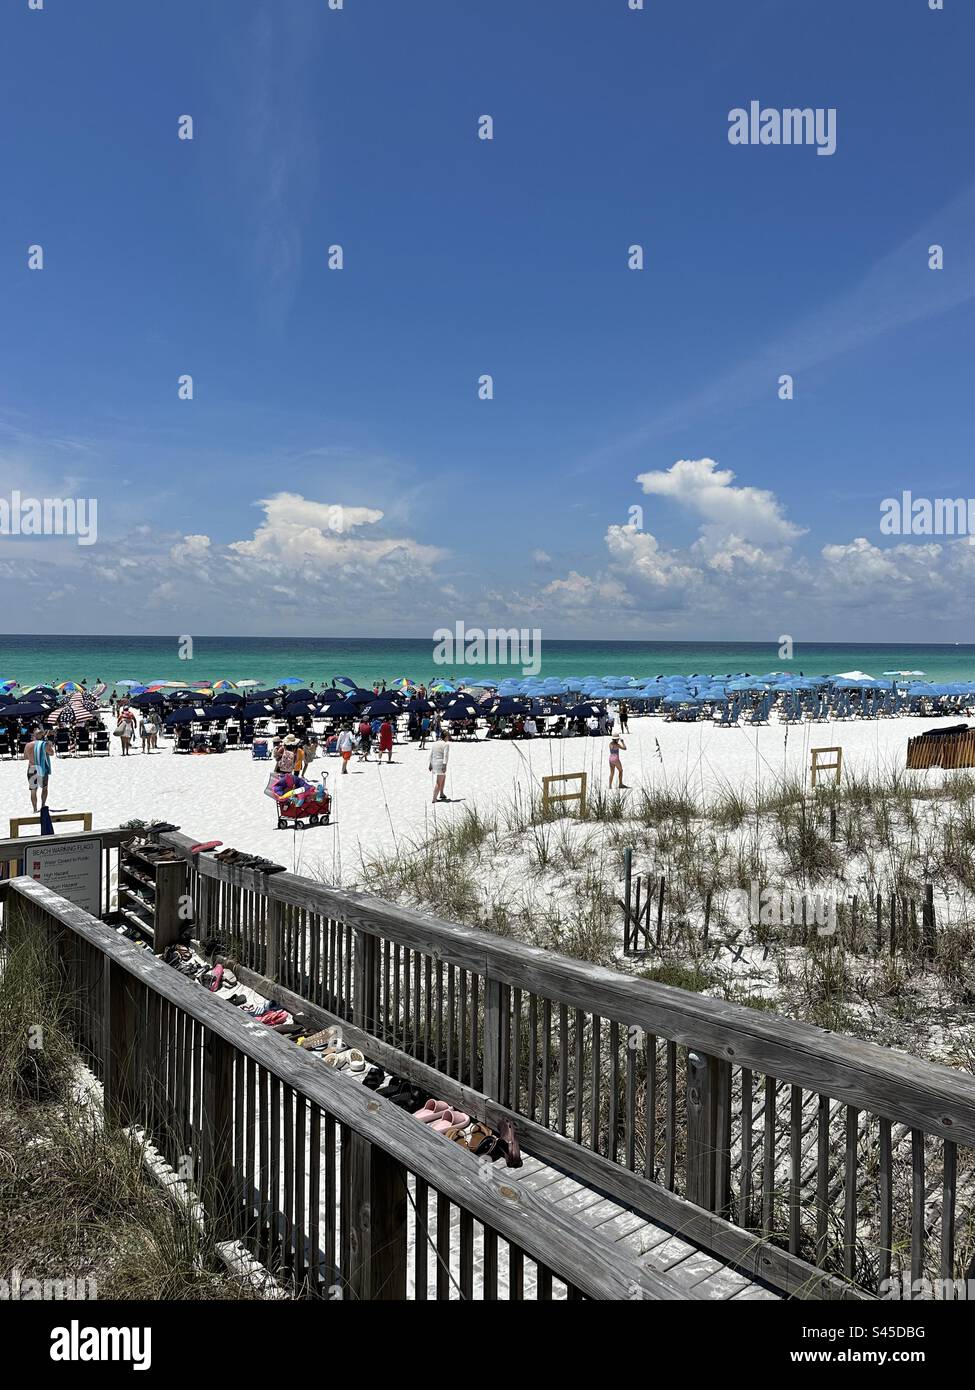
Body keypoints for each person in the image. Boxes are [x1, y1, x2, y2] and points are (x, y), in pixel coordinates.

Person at [23, 726, 55, 812]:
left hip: (31, 768)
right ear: (41, 735)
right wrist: (49, 745)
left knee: (33, 790)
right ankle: (43, 805)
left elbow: (25, 757)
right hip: (42, 768)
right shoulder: (44, 744)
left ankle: (34, 809)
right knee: (44, 788)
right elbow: (52, 753)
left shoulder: (28, 745)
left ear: (34, 735)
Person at [429, 731, 450, 803]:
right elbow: (445, 756)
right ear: (446, 736)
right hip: (440, 763)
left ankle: (441, 793)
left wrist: (430, 763)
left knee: (443, 777)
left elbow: (431, 754)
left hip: (434, 762)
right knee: (438, 781)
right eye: (448, 736)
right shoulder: (446, 744)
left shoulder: (435, 743)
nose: (449, 738)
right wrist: (444, 765)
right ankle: (434, 798)